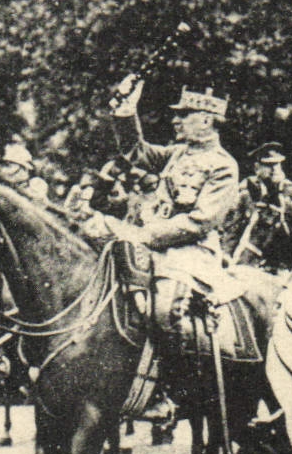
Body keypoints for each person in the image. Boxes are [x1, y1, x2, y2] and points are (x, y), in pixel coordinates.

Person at [95, 79, 241, 296]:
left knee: (166, 305)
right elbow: (135, 150)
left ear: (205, 119)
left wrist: (145, 234)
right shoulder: (177, 153)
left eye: (183, 115)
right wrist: (126, 110)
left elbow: (199, 223)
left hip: (190, 254)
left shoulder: (224, 165)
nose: (175, 121)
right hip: (149, 244)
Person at [228, 141, 292, 269]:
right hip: (247, 261)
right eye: (269, 165)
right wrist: (226, 256)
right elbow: (232, 229)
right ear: (257, 168)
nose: (275, 170)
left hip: (282, 263)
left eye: (278, 164)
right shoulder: (247, 192)